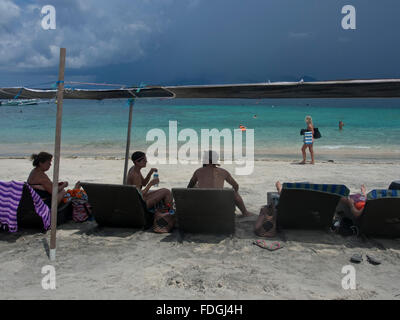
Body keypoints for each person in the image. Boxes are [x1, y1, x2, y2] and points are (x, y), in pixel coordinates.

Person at [187, 150, 253, 217]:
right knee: (234, 192)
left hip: (202, 205)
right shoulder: (223, 172)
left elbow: (189, 187)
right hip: (219, 204)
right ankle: (245, 213)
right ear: (216, 160)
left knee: (195, 186)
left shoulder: (198, 171)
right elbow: (236, 185)